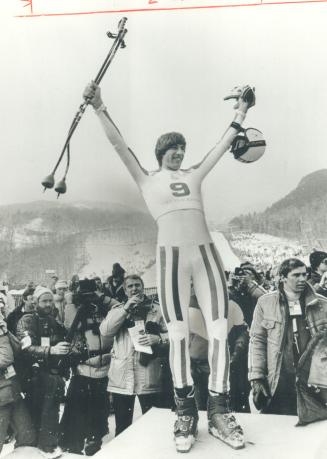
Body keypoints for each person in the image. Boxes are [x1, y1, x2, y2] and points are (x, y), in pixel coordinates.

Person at [83, 81, 255, 452]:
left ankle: (220, 409)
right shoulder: (147, 179)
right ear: (161, 152)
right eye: (172, 148)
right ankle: (185, 411)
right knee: (176, 334)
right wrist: (99, 106)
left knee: (220, 330)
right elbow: (119, 146)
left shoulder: (194, 174)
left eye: (181, 147)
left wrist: (241, 112)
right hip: (171, 258)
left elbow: (221, 147)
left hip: (206, 254)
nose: (178, 153)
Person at [249, 258, 327, 420]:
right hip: (279, 379)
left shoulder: (321, 304)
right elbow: (257, 341)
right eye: (296, 275)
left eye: (304, 275)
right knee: (278, 426)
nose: (302, 279)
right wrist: (257, 377)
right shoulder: (266, 303)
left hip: (313, 381)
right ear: (283, 277)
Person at [100, 274, 169, 436]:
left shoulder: (156, 309)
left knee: (152, 427)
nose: (134, 289)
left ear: (142, 287)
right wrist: (125, 310)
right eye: (130, 286)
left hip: (148, 374)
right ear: (124, 290)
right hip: (122, 377)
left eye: (137, 285)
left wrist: (158, 338)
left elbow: (172, 334)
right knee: (123, 428)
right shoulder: (118, 310)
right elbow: (105, 331)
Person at [59, 279, 119, 456]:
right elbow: (69, 325)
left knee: (100, 408)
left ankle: (95, 440)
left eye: (92, 293)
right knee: (78, 408)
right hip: (84, 367)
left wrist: (103, 298)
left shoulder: (104, 308)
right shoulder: (75, 309)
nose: (89, 298)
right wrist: (71, 301)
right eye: (85, 293)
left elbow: (121, 308)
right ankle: (73, 444)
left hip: (104, 366)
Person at [16, 286, 70, 458]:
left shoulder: (55, 321)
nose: (48, 304)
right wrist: (52, 351)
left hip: (52, 378)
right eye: (44, 301)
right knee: (35, 418)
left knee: (51, 415)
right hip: (33, 378)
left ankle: (47, 448)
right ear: (36, 302)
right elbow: (25, 348)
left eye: (50, 301)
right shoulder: (27, 320)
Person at [0, 312, 36, 454]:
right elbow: (7, 358)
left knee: (27, 436)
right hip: (3, 394)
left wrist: (6, 332)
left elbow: (16, 350)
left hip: (12, 390)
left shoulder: (2, 330)